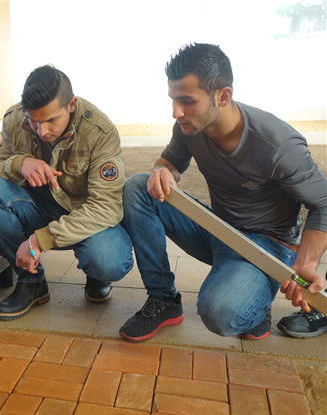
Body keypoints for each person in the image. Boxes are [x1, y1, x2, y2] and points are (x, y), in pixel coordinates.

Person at [119, 43, 327, 342]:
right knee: (139, 186)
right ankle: (163, 299)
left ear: (223, 96)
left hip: (267, 246)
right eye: (174, 99)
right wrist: (161, 170)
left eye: (187, 101)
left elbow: (323, 205)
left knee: (221, 313)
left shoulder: (278, 145)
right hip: (219, 229)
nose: (176, 112)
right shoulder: (190, 126)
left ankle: (257, 298)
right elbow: (171, 162)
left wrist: (306, 264)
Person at [0, 65, 133, 321]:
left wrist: (40, 240)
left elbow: (106, 207)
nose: (41, 131)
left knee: (109, 260)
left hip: (85, 216)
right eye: (33, 121)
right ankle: (31, 280)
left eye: (50, 120)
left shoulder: (99, 131)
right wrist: (19, 163)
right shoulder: (14, 119)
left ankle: (96, 275)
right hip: (35, 208)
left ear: (71, 104)